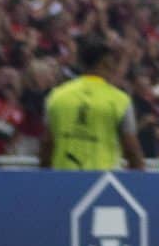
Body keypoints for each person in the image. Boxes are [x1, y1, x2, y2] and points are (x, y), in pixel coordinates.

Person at [41, 38, 146, 172]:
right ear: (105, 63)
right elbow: (132, 151)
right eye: (113, 62)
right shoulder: (120, 100)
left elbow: (47, 144)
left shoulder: (56, 96)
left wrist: (45, 178)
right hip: (102, 181)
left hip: (63, 180)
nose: (114, 67)